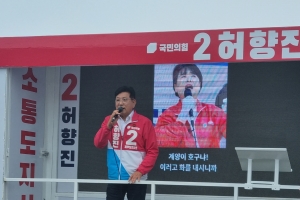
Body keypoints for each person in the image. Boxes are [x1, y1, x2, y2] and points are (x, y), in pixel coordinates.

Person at [94, 86, 159, 200]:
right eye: (118, 100)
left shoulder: (144, 123)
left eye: (124, 100)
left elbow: (152, 151)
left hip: (136, 178)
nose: (120, 103)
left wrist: (140, 171)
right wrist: (108, 126)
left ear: (133, 102)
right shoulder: (109, 120)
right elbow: (98, 144)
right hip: (115, 178)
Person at [155, 64, 227, 148]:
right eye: (183, 76)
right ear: (175, 87)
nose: (189, 79)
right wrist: (182, 115)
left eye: (193, 76)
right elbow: (159, 142)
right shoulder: (167, 115)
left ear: (200, 84)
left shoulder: (213, 112)